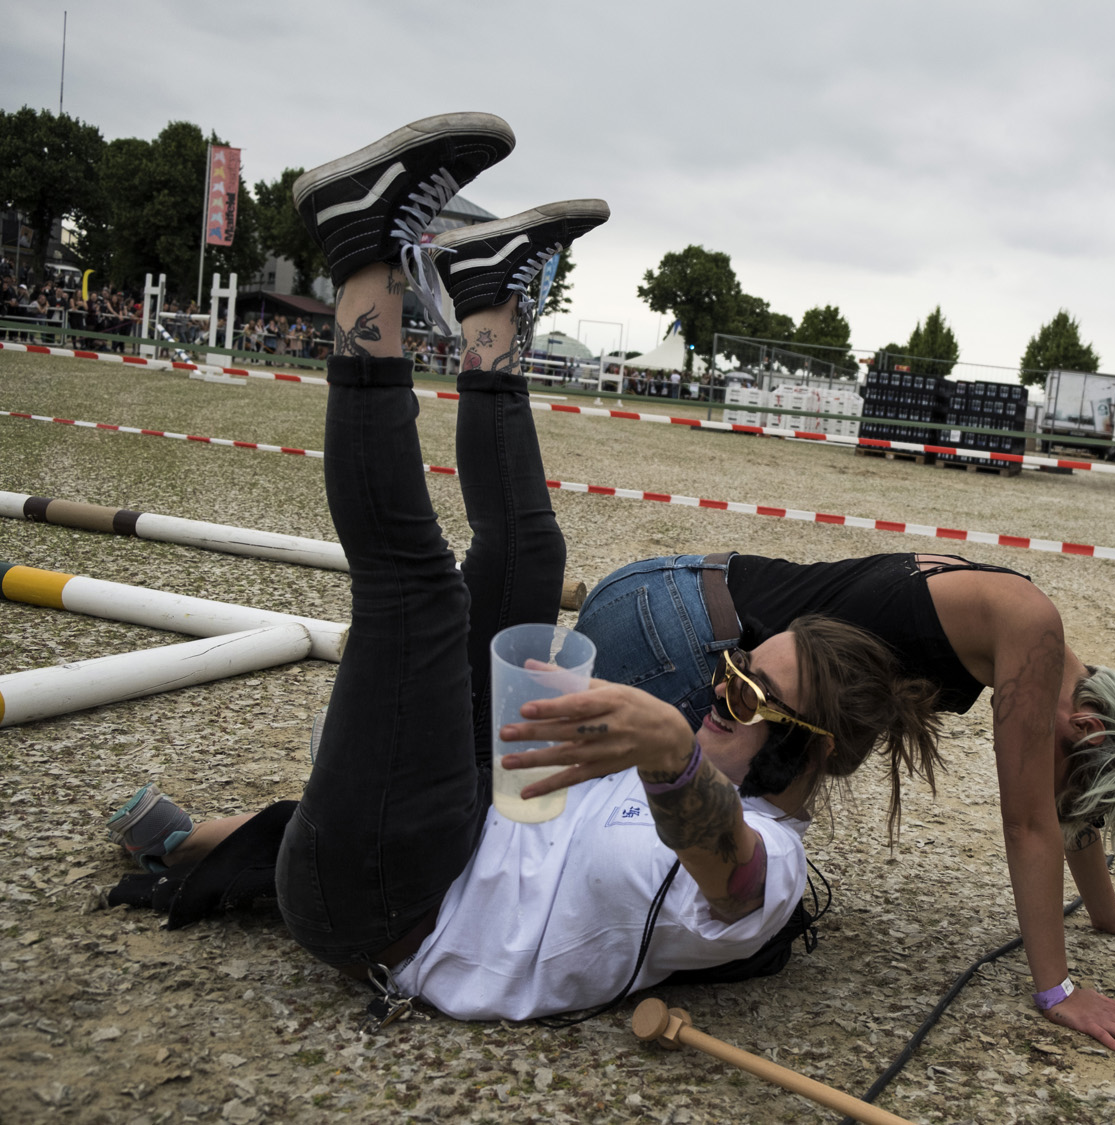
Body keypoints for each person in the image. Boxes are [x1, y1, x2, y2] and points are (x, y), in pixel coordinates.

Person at [103, 114, 942, 1024]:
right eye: (729, 668)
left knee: (416, 592)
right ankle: (488, 304)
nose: (715, 691)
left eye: (743, 693)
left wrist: (665, 754)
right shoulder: (700, 758)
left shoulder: (767, 865)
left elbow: (729, 871)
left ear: (799, 749)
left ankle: (359, 254)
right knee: (529, 557)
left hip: (393, 907)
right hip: (457, 810)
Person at [576, 551, 1115, 1054]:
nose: (1064, 805)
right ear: (1088, 728)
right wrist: (1059, 991)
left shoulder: (1021, 617)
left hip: (659, 594)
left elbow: (1060, 806)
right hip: (680, 642)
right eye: (1074, 787)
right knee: (707, 891)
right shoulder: (1029, 628)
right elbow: (1030, 822)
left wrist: (1106, 912)